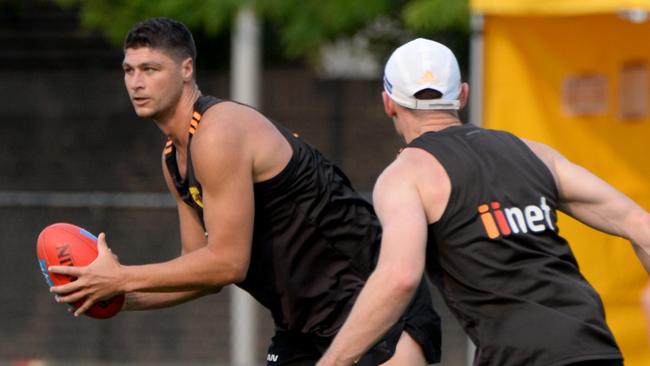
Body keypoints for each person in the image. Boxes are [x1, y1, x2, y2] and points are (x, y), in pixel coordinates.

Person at [47, 18, 442, 366]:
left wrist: (122, 278)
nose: (136, 82)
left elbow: (228, 262)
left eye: (150, 69)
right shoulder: (174, 159)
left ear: (187, 69)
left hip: (377, 312)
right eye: (129, 70)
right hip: (303, 328)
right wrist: (113, 298)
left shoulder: (218, 132)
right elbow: (200, 271)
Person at [317, 38, 650, 366]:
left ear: (388, 102)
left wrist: (332, 362)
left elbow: (399, 278)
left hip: (519, 355)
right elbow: (640, 225)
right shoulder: (533, 153)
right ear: (462, 95)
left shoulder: (406, 175)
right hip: (594, 348)